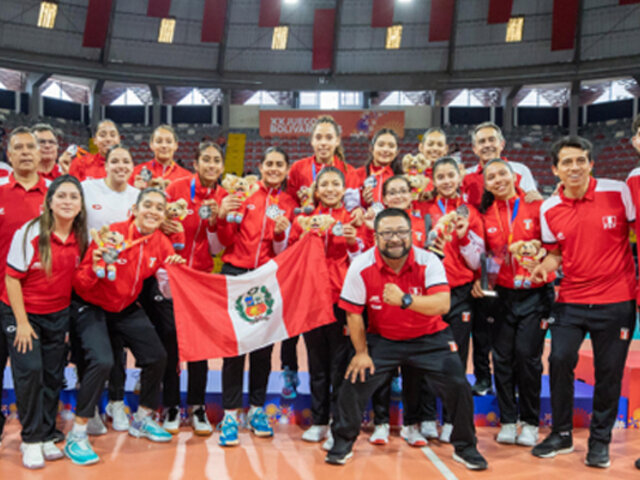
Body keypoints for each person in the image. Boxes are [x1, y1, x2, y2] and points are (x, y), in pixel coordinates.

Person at [327, 208, 487, 470]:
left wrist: (405, 300)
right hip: (384, 339)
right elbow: (353, 313)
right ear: (376, 237)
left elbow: (442, 304)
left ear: (411, 234)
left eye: (401, 232)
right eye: (387, 233)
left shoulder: (428, 260)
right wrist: (361, 352)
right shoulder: (361, 265)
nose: (395, 238)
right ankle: (342, 441)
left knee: (458, 384)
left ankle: (466, 447)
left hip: (430, 338)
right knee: (353, 380)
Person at [531, 136, 636, 468]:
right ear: (555, 169)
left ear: (591, 164)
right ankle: (561, 433)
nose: (574, 167)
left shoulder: (618, 192)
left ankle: (600, 441)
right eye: (567, 162)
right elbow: (555, 254)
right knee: (559, 359)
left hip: (617, 299)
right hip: (571, 300)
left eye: (580, 160)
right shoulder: (549, 208)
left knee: (609, 372)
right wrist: (543, 267)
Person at [65, 188, 185, 466]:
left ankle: (142, 418)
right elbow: (79, 283)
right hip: (92, 304)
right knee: (103, 361)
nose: (153, 211)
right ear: (135, 209)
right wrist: (96, 266)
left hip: (124, 307)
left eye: (159, 208)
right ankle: (77, 433)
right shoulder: (113, 234)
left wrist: (175, 271)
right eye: (148, 205)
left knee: (157, 356)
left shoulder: (162, 243)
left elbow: (167, 290)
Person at [2, 175, 87, 469]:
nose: (67, 201)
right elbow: (12, 279)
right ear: (49, 202)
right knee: (30, 372)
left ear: (81, 205)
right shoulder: (30, 233)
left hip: (57, 315)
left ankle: (48, 433)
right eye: (61, 196)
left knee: (52, 375)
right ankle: (31, 439)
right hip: (21, 312)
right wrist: (22, 323)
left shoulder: (83, 237)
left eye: (73, 197)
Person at [215, 146, 297, 447]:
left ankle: (257, 410)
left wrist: (281, 233)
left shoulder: (288, 203)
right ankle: (229, 414)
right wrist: (224, 216)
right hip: (235, 275)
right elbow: (225, 240)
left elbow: (281, 250)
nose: (274, 168)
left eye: (279, 164)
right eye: (269, 163)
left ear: (286, 170)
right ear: (260, 167)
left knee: (263, 348)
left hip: (266, 278)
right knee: (234, 348)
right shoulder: (244, 194)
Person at [150, 141, 227, 436]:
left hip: (200, 280)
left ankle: (197, 407)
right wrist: (162, 226)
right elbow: (151, 224)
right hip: (170, 275)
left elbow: (219, 248)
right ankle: (170, 405)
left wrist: (214, 222)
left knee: (200, 346)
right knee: (170, 341)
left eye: (216, 160)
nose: (211, 165)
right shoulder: (175, 188)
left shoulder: (223, 197)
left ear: (222, 166)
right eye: (205, 159)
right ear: (195, 163)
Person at [477, 159, 554, 447]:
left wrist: (541, 262)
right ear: (486, 184)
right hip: (501, 296)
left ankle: (530, 422)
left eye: (502, 174)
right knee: (502, 358)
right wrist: (480, 282)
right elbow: (482, 255)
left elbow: (553, 246)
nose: (498, 180)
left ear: (515, 176)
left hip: (535, 293)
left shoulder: (536, 206)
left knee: (527, 357)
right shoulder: (485, 215)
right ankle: (508, 421)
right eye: (491, 177)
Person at [289, 166, 366, 449]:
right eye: (325, 185)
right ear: (316, 190)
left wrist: (352, 241)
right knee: (317, 363)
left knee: (340, 366)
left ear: (344, 189)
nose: (331, 189)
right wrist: (303, 233)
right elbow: (290, 253)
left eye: (336, 184)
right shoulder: (304, 221)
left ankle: (338, 423)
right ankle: (319, 421)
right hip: (311, 300)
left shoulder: (353, 219)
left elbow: (362, 261)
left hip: (340, 301)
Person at [462, 122, 540, 397]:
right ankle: (483, 378)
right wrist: (479, 275)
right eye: (481, 141)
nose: (487, 145)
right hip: (484, 255)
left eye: (491, 140)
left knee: (509, 335)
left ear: (502, 143)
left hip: (515, 260)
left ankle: (514, 382)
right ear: (474, 148)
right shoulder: (467, 176)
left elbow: (530, 202)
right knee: (482, 327)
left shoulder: (520, 170)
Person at [415, 157, 484, 444]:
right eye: (440, 176)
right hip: (428, 293)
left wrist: (464, 235)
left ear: (459, 177)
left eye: (450, 176)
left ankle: (453, 420)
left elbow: (477, 260)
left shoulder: (471, 213)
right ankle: (427, 417)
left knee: (456, 359)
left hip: (459, 293)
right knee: (426, 355)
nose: (445, 181)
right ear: (433, 179)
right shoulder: (422, 209)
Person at [78, 144, 139, 434]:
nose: (120, 166)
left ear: (133, 166)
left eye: (126, 161)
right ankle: (89, 408)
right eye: (115, 161)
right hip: (90, 278)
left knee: (117, 346)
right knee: (90, 349)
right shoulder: (88, 189)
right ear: (106, 164)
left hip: (121, 284)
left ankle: (116, 402)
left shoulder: (137, 196)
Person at [0, 127, 49, 445]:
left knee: (33, 370)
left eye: (31, 146)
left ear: (40, 152)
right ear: (9, 155)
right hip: (1, 295)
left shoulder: (55, 196)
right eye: (18, 147)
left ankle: (38, 431)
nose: (26, 152)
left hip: (38, 300)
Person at [287, 116, 353, 210]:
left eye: (329, 138)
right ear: (312, 141)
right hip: (307, 218)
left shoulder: (349, 172)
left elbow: (352, 206)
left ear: (337, 141)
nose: (323, 143)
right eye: (318, 138)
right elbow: (289, 202)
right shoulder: (298, 168)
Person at [347, 128, 402, 209]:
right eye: (381, 145)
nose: (385, 149)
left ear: (397, 152)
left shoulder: (403, 178)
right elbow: (348, 204)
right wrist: (362, 203)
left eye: (391, 146)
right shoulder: (356, 174)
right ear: (371, 149)